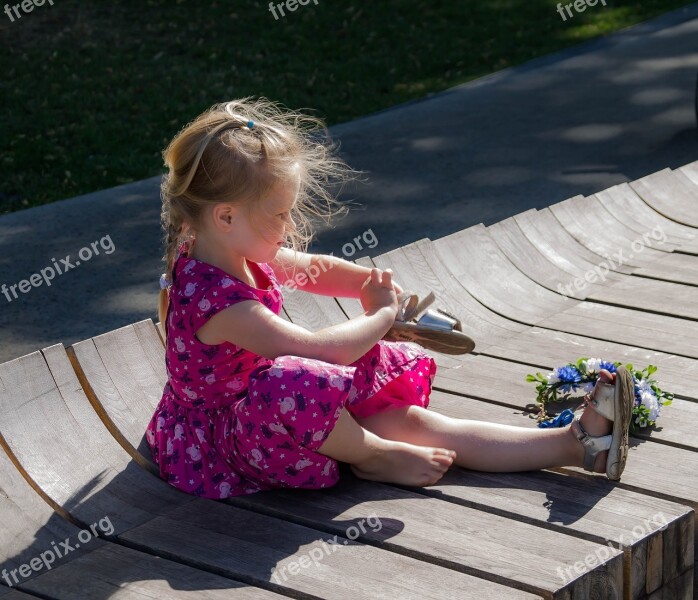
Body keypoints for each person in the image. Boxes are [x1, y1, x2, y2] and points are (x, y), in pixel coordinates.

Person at [146, 97, 633, 500]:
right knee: (298, 379)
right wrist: (382, 315)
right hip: (224, 444)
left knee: (417, 423)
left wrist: (366, 282)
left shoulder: (227, 246)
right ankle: (374, 456)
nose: (289, 228)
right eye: (279, 215)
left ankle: (577, 446)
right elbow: (318, 352)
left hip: (277, 411)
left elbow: (314, 270)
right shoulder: (219, 300)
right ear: (226, 217)